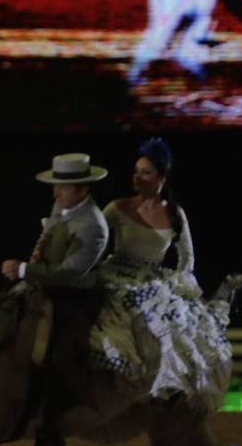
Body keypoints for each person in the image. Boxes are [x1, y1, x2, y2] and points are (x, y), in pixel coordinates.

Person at [87, 137, 234, 412]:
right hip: (117, 274)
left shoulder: (175, 214)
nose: (138, 178)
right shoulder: (118, 208)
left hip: (152, 280)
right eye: (136, 171)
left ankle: (162, 388)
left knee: (172, 330)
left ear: (161, 178)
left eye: (146, 172)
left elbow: (187, 256)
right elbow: (93, 240)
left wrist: (179, 283)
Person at [1, 152, 109, 446]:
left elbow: (70, 273)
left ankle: (53, 428)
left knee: (59, 354)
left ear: (83, 190)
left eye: (62, 187)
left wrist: (24, 271)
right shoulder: (63, 207)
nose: (55, 192)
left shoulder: (93, 226)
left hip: (74, 297)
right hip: (46, 286)